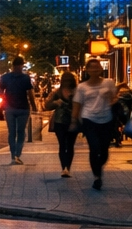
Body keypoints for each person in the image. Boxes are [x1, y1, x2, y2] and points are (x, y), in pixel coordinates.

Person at [71, 58, 118, 190]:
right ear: (87, 70)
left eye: (97, 67)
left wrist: (111, 98)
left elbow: (114, 99)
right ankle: (97, 176)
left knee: (104, 150)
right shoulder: (82, 87)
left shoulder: (108, 83)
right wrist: (74, 120)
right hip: (89, 119)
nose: (95, 70)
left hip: (106, 119)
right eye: (91, 68)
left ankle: (98, 166)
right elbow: (77, 104)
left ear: (101, 69)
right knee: (94, 147)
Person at [0, 56, 36, 165]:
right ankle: (17, 154)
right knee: (20, 132)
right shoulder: (25, 78)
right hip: (23, 108)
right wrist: (34, 106)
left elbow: (0, 92)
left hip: (10, 108)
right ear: (21, 65)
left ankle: (13, 155)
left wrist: (1, 105)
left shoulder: (5, 77)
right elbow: (30, 94)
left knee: (12, 132)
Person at [43, 72, 79, 178]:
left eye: (69, 80)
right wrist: (56, 103)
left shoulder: (77, 92)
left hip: (73, 120)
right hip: (60, 121)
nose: (67, 82)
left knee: (70, 145)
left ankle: (67, 167)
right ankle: (64, 168)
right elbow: (47, 105)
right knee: (62, 144)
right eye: (65, 80)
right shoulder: (57, 92)